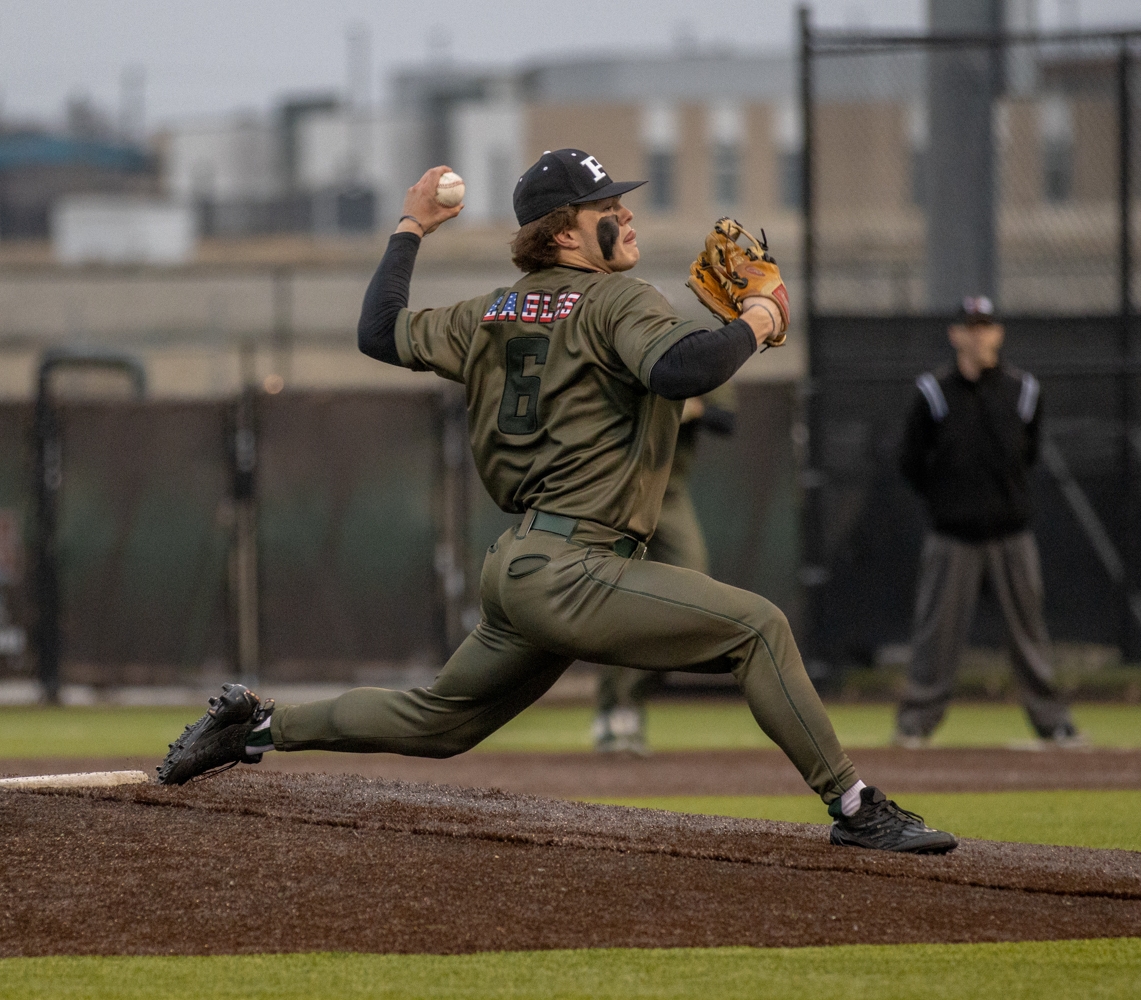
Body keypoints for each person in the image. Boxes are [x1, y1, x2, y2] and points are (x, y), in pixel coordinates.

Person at [159, 149, 958, 854]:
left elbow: (378, 331)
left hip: (520, 566)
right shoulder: (617, 301)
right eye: (609, 209)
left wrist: (411, 224)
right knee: (759, 627)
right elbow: (686, 371)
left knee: (440, 721)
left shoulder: (491, 312)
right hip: (579, 564)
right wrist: (759, 317)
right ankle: (856, 809)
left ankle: (256, 727)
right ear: (564, 232)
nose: (628, 216)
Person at [893, 296, 1082, 749]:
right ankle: (915, 723)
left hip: (1010, 533)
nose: (978, 334)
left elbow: (1029, 453)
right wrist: (945, 500)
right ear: (955, 334)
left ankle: (1053, 721)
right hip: (952, 534)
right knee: (935, 635)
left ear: (998, 333)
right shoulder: (934, 392)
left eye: (986, 326)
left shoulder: (1024, 390)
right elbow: (910, 460)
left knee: (1030, 633)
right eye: (970, 327)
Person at [592, 383, 735, 754]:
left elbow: (726, 419)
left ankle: (632, 697)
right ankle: (613, 710)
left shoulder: (699, 342)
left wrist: (694, 406)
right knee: (614, 597)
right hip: (616, 491)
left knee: (692, 595)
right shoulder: (621, 333)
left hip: (668, 496)